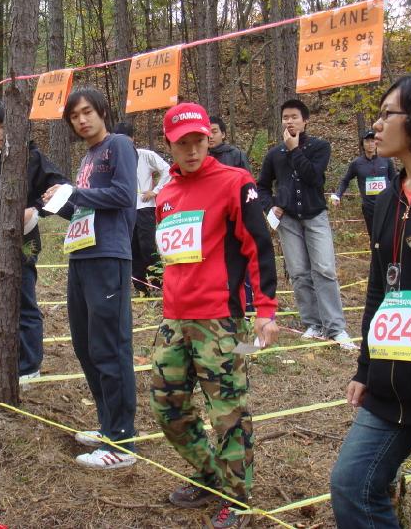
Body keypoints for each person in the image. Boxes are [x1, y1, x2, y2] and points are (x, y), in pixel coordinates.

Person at [150, 103, 278, 529]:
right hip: (173, 319)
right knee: (166, 404)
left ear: (209, 140)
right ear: (169, 144)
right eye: (182, 143)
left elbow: (257, 245)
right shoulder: (165, 193)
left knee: (228, 413)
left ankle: (239, 499)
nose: (191, 150)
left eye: (199, 141)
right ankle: (210, 475)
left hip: (219, 322)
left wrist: (265, 310)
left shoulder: (234, 182)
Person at [330, 73, 411, 528]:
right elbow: (380, 291)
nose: (376, 126)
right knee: (351, 486)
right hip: (393, 383)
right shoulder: (389, 199)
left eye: (386, 114)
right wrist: (365, 368)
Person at [43, 86, 138, 469]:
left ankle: (122, 442)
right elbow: (86, 209)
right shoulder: (88, 157)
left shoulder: (119, 145)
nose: (81, 120)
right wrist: (62, 201)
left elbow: (122, 195)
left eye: (87, 112)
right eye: (74, 116)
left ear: (102, 111)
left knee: (110, 347)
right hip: (80, 255)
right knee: (85, 345)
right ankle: (107, 425)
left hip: (109, 257)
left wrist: (76, 193)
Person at [0, 100, 68, 382]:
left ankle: (29, 365)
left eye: (3, 126)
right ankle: (0, 357)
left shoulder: (32, 158)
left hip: (25, 244)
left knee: (23, 301)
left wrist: (35, 208)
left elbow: (59, 187)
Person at [257, 99, 357, 349]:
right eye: (285, 117)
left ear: (305, 120)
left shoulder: (320, 147)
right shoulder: (274, 154)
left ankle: (336, 327)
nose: (289, 121)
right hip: (289, 220)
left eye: (294, 117)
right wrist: (271, 206)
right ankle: (312, 323)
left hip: (315, 216)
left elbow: (314, 178)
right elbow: (262, 186)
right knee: (299, 273)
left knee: (324, 269)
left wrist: (294, 150)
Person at [113, 121, 171, 294]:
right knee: (132, 248)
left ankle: (158, 284)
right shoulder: (114, 159)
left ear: (132, 139)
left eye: (126, 139)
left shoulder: (145, 155)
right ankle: (141, 287)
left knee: (147, 247)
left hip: (145, 208)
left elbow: (167, 170)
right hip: (125, 209)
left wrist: (155, 191)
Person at [209, 115, 255, 314]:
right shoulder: (200, 158)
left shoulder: (235, 155)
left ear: (224, 134)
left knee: (242, 261)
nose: (210, 136)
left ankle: (249, 304)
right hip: (211, 221)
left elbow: (248, 184)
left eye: (215, 131)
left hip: (236, 216)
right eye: (207, 132)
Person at [330, 129, 397, 239]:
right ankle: (375, 256)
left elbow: (395, 180)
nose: (370, 144)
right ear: (362, 144)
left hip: (386, 205)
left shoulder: (386, 160)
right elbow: (345, 180)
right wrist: (338, 195)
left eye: (372, 141)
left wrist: (400, 198)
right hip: (369, 207)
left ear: (376, 143)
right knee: (374, 237)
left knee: (388, 236)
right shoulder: (356, 163)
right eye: (367, 141)